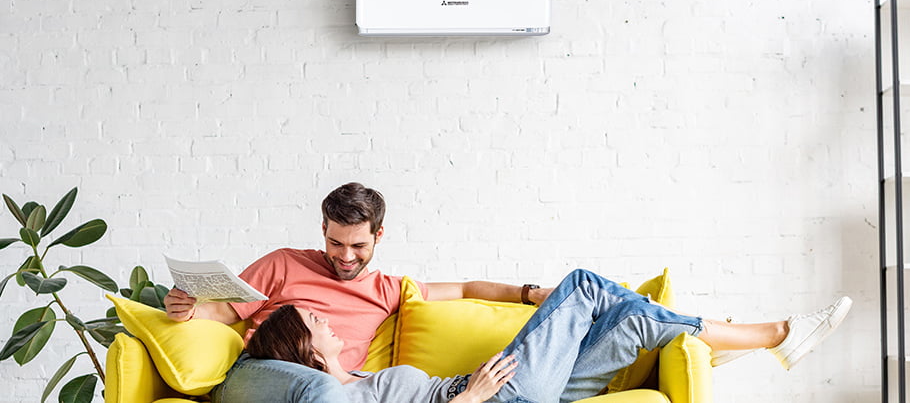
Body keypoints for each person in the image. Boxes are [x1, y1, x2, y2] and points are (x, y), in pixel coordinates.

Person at [163, 182, 554, 401]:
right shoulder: (283, 263)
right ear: (323, 230)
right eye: (336, 243)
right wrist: (186, 309)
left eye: (358, 246)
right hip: (267, 372)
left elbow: (467, 287)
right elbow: (223, 314)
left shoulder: (386, 290)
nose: (345, 257)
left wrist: (528, 293)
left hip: (337, 391)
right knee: (321, 385)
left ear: (378, 236)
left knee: (327, 387)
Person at [227, 269, 852, 403]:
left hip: (512, 392)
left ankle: (761, 339)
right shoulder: (330, 398)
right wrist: (467, 400)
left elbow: (465, 286)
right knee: (581, 284)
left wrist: (524, 294)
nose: (329, 321)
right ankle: (774, 334)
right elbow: (239, 378)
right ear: (303, 348)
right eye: (316, 323)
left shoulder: (350, 380)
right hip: (493, 398)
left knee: (636, 321)